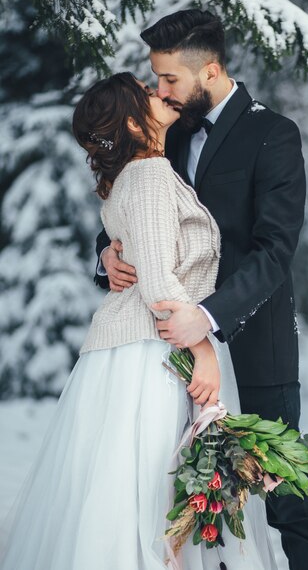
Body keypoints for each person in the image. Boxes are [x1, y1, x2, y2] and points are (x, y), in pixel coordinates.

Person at [0, 73, 277, 570]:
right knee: (155, 498)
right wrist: (205, 351)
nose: (160, 92)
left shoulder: (140, 173)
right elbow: (157, 281)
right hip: (156, 351)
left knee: (139, 498)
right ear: (133, 120)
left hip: (141, 346)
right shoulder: (148, 175)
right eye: (148, 93)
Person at [96, 10, 308, 570]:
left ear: (212, 69)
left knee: (281, 489)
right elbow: (133, 207)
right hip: (169, 346)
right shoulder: (166, 131)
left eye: (170, 79)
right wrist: (106, 255)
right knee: (181, 487)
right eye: (156, 79)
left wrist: (206, 317)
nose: (160, 91)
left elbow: (275, 249)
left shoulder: (273, 133)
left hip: (253, 332)